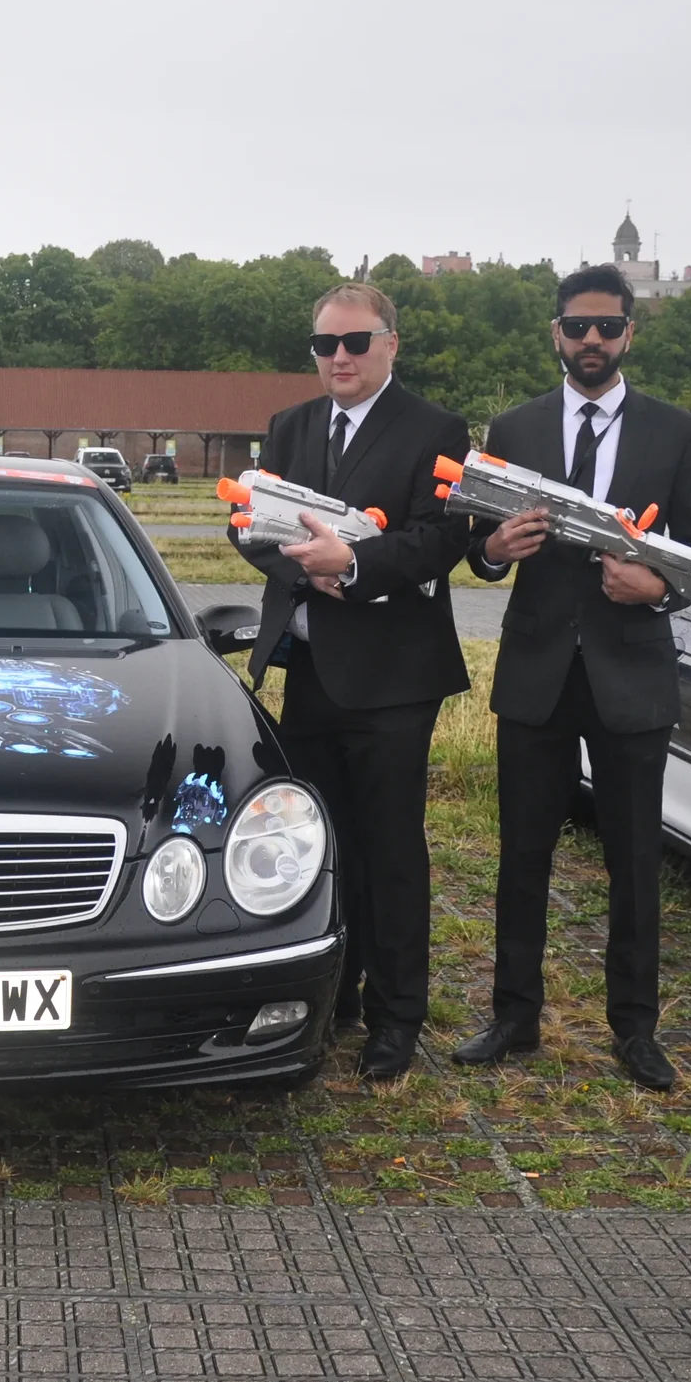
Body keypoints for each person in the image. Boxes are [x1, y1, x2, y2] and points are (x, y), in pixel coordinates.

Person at [452, 263, 691, 1091]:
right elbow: (477, 543)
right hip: (537, 668)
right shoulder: (515, 427)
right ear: (556, 334)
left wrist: (658, 588)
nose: (592, 341)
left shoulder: (676, 431)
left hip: (631, 673)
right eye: (578, 327)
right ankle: (513, 1016)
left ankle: (635, 1031)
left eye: (608, 327)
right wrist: (492, 550)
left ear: (630, 332)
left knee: (635, 860)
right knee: (521, 853)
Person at [231, 282, 471, 1081]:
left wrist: (357, 565)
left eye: (356, 343)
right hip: (306, 672)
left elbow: (442, 540)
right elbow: (259, 532)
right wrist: (274, 546)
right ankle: (336, 996)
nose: (339, 358)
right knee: (316, 846)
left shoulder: (434, 429)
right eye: (324, 345)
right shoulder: (290, 426)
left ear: (391, 344)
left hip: (395, 679)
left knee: (390, 850)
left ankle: (398, 1020)